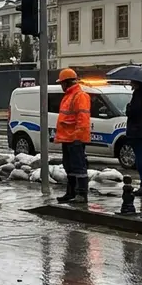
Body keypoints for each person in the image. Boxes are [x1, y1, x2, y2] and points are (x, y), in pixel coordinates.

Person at [55, 68, 91, 204]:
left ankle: (81, 194)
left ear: (66, 82)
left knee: (79, 167)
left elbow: (83, 119)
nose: (61, 86)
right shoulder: (69, 95)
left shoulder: (79, 96)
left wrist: (78, 136)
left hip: (75, 138)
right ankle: (71, 193)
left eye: (62, 83)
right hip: (67, 137)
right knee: (69, 166)